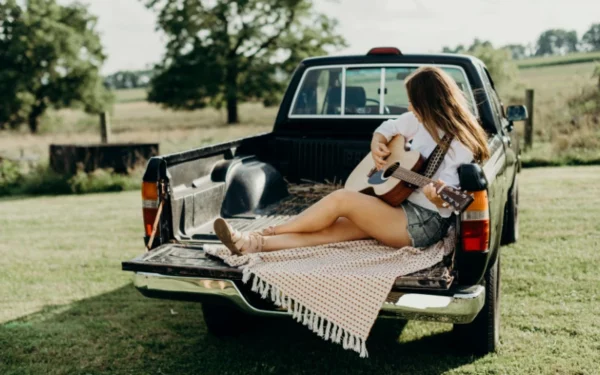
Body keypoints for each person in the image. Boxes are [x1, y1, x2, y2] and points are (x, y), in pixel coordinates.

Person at [214, 66, 490, 255]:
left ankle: (268, 231)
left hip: (421, 223)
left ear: (429, 103)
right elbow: (387, 126)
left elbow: (449, 205)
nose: (409, 108)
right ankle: (251, 244)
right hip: (395, 206)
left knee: (342, 199)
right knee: (329, 232)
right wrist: (377, 142)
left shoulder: (459, 144)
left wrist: (437, 196)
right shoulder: (417, 121)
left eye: (413, 102)